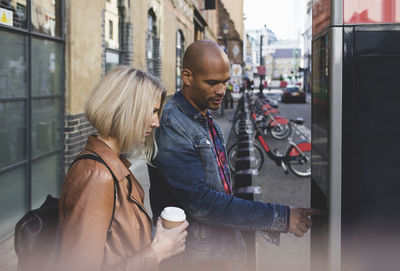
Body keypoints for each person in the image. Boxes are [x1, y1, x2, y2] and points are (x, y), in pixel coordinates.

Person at [148, 40, 320, 271]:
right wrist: (279, 217)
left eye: (225, 82)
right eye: (212, 83)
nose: (222, 90)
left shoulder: (202, 117)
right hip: (197, 260)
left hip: (218, 252)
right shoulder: (172, 123)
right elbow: (202, 203)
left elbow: (221, 190)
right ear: (187, 77)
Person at [58, 66, 188, 271]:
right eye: (152, 111)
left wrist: (157, 238)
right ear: (126, 109)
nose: (156, 122)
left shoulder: (113, 165)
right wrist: (157, 252)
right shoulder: (97, 175)